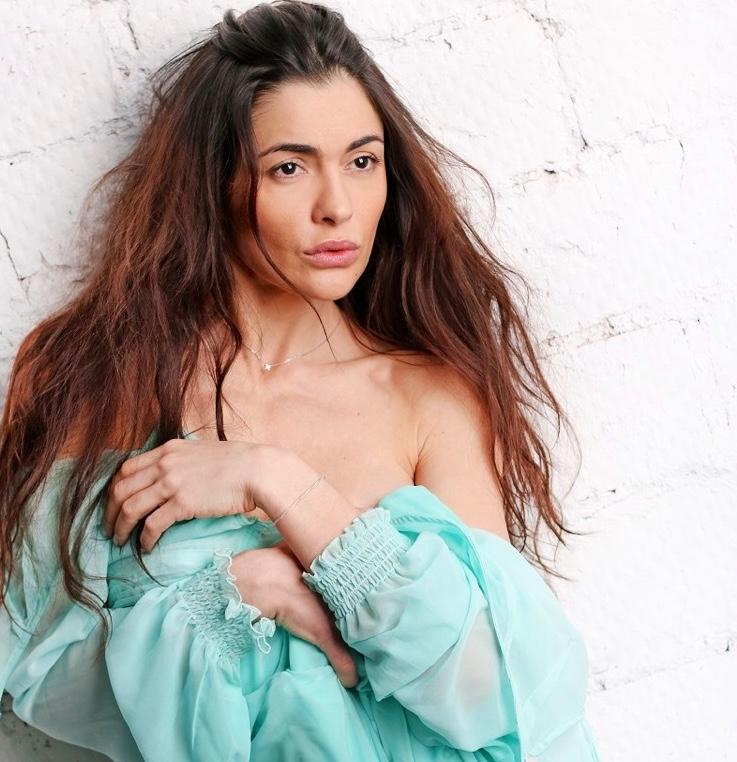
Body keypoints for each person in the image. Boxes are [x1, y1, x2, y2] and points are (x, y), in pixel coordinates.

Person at [0, 2, 601, 760]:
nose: (337, 207)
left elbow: (495, 694)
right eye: (289, 167)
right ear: (214, 182)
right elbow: (37, 663)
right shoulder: (97, 374)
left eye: (362, 161)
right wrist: (237, 596)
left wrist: (279, 483)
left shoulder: (425, 396)